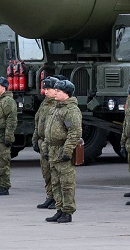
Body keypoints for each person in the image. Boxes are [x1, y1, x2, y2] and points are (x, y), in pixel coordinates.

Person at [43, 79, 82, 223]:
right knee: (56, 183)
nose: (56, 93)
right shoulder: (55, 108)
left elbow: (74, 132)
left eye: (59, 91)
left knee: (67, 183)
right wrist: (46, 148)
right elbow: (48, 131)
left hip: (62, 150)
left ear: (66, 94)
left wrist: (67, 151)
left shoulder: (70, 111)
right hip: (53, 150)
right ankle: (59, 209)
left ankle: (67, 211)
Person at [32, 76, 59, 209]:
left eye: (49, 89)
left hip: (51, 143)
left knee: (54, 173)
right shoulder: (45, 104)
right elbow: (38, 122)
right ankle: (50, 196)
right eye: (45, 88)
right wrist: (35, 139)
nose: (46, 91)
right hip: (43, 141)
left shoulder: (57, 105)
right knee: (46, 172)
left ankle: (57, 199)